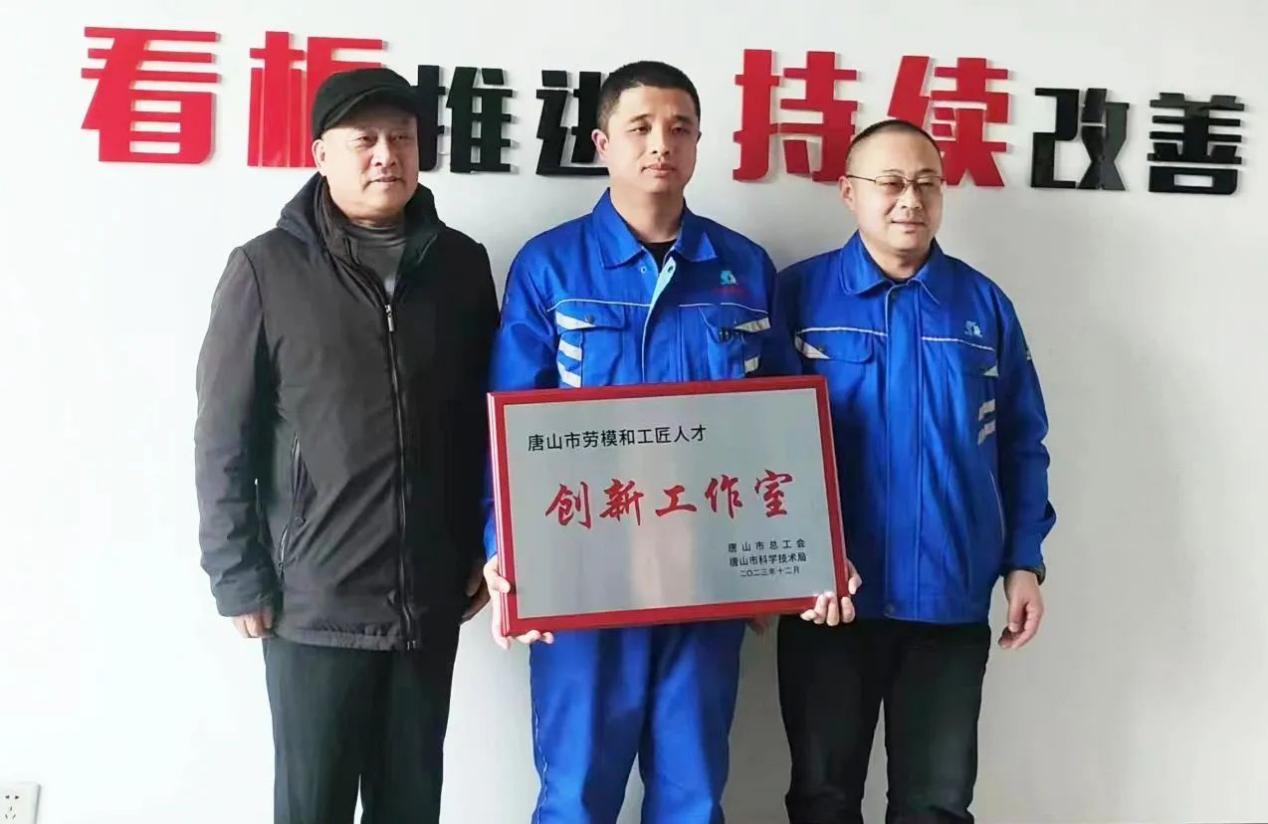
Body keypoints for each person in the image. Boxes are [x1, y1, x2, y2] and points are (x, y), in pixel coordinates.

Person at [481, 60, 847, 824]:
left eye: (680, 128)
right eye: (641, 127)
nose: (661, 144)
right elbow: (509, 421)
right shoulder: (550, 266)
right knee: (576, 794)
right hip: (581, 580)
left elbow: (783, 428)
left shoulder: (743, 268)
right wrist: (506, 554)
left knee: (692, 794)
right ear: (602, 143)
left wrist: (797, 559)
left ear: (698, 143)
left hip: (705, 575)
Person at [194, 67, 497, 824]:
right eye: (365, 140)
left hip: (428, 596)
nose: (386, 155)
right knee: (312, 808)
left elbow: (482, 422)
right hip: (313, 602)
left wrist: (482, 545)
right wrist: (236, 574)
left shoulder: (461, 266)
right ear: (322, 155)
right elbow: (222, 435)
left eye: (402, 138)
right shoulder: (265, 269)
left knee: (411, 806)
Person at [772, 118, 1056, 824]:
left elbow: (1022, 442)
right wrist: (792, 562)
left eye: (928, 183)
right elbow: (757, 442)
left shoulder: (983, 306)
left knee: (936, 804)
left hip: (948, 597)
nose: (911, 199)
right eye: (892, 182)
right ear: (849, 192)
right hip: (830, 600)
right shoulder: (798, 297)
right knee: (821, 799)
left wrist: (1024, 562)